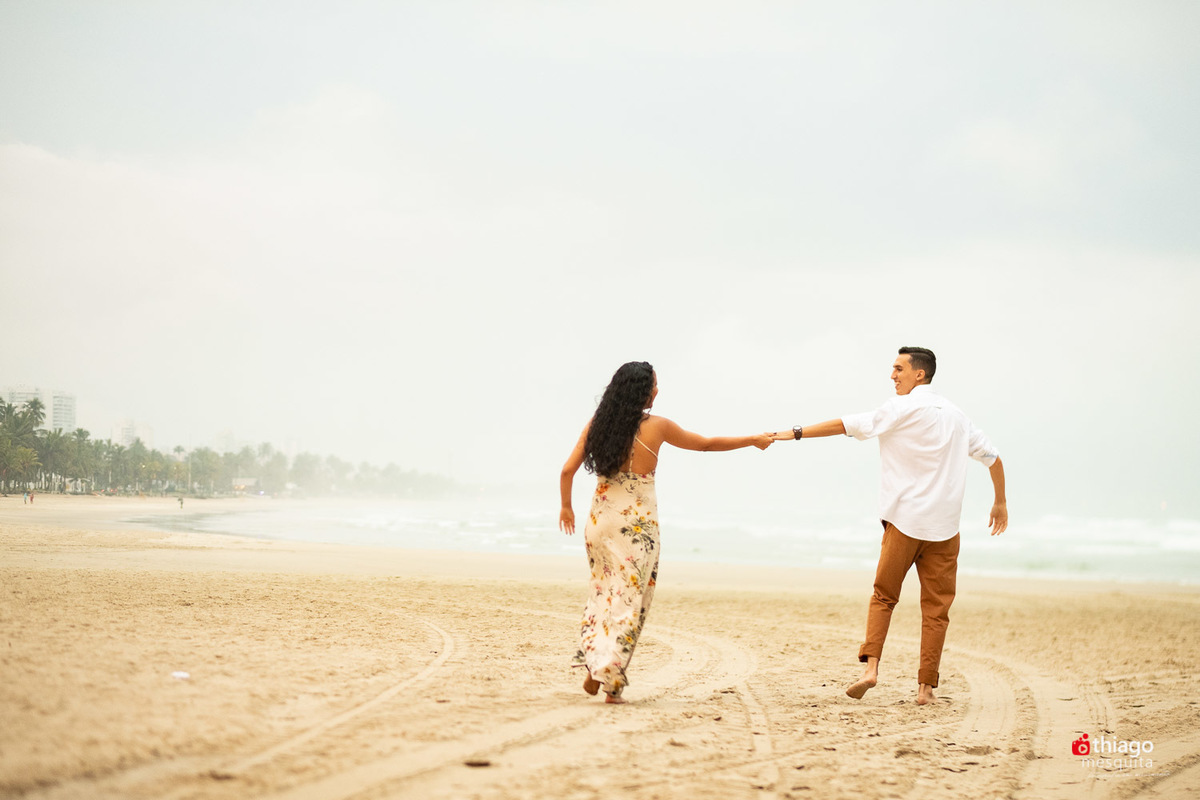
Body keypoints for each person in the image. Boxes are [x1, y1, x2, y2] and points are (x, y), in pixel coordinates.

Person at [769, 346, 1007, 705]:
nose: (892, 376)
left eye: (898, 369)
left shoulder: (900, 408)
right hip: (945, 530)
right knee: (937, 610)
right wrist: (1000, 502)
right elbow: (993, 459)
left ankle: (871, 670)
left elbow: (846, 425)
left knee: (884, 596)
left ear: (919, 374)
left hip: (906, 522)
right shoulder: (958, 417)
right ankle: (926, 689)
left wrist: (796, 432)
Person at [560, 361, 773, 704]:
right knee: (631, 602)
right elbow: (705, 444)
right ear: (640, 391)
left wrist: (565, 508)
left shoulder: (597, 426)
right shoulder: (657, 427)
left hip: (599, 522)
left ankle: (593, 666)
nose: (657, 391)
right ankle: (610, 682)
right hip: (636, 528)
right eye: (654, 386)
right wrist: (752, 439)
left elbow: (567, 470)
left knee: (603, 594)